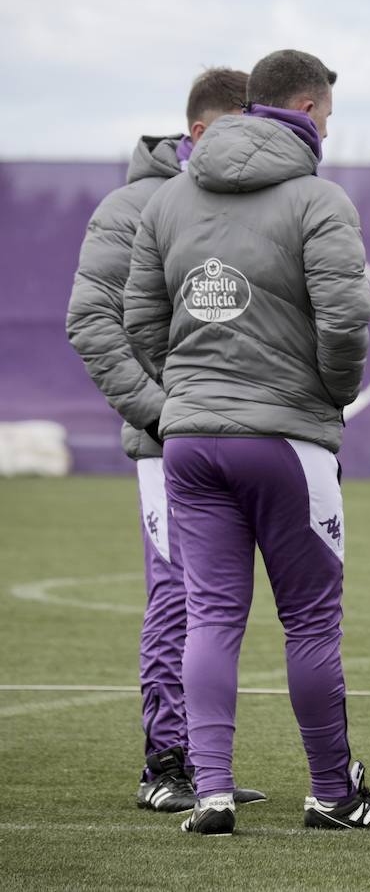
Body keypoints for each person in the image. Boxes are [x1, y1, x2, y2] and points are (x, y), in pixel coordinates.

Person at [124, 49, 370, 837]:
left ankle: (210, 789)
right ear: (313, 111)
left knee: (212, 615)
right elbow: (348, 321)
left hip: (188, 441)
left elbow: (140, 322)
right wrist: (329, 390)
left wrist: (186, 385)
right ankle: (332, 792)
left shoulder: (169, 198)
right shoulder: (319, 199)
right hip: (287, 439)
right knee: (311, 621)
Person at [67, 68, 271, 813]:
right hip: (169, 443)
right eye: (245, 129)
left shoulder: (250, 203)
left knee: (218, 602)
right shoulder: (130, 208)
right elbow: (90, 323)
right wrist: (158, 414)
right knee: (179, 595)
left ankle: (206, 761)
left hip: (241, 439)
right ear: (199, 134)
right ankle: (167, 759)